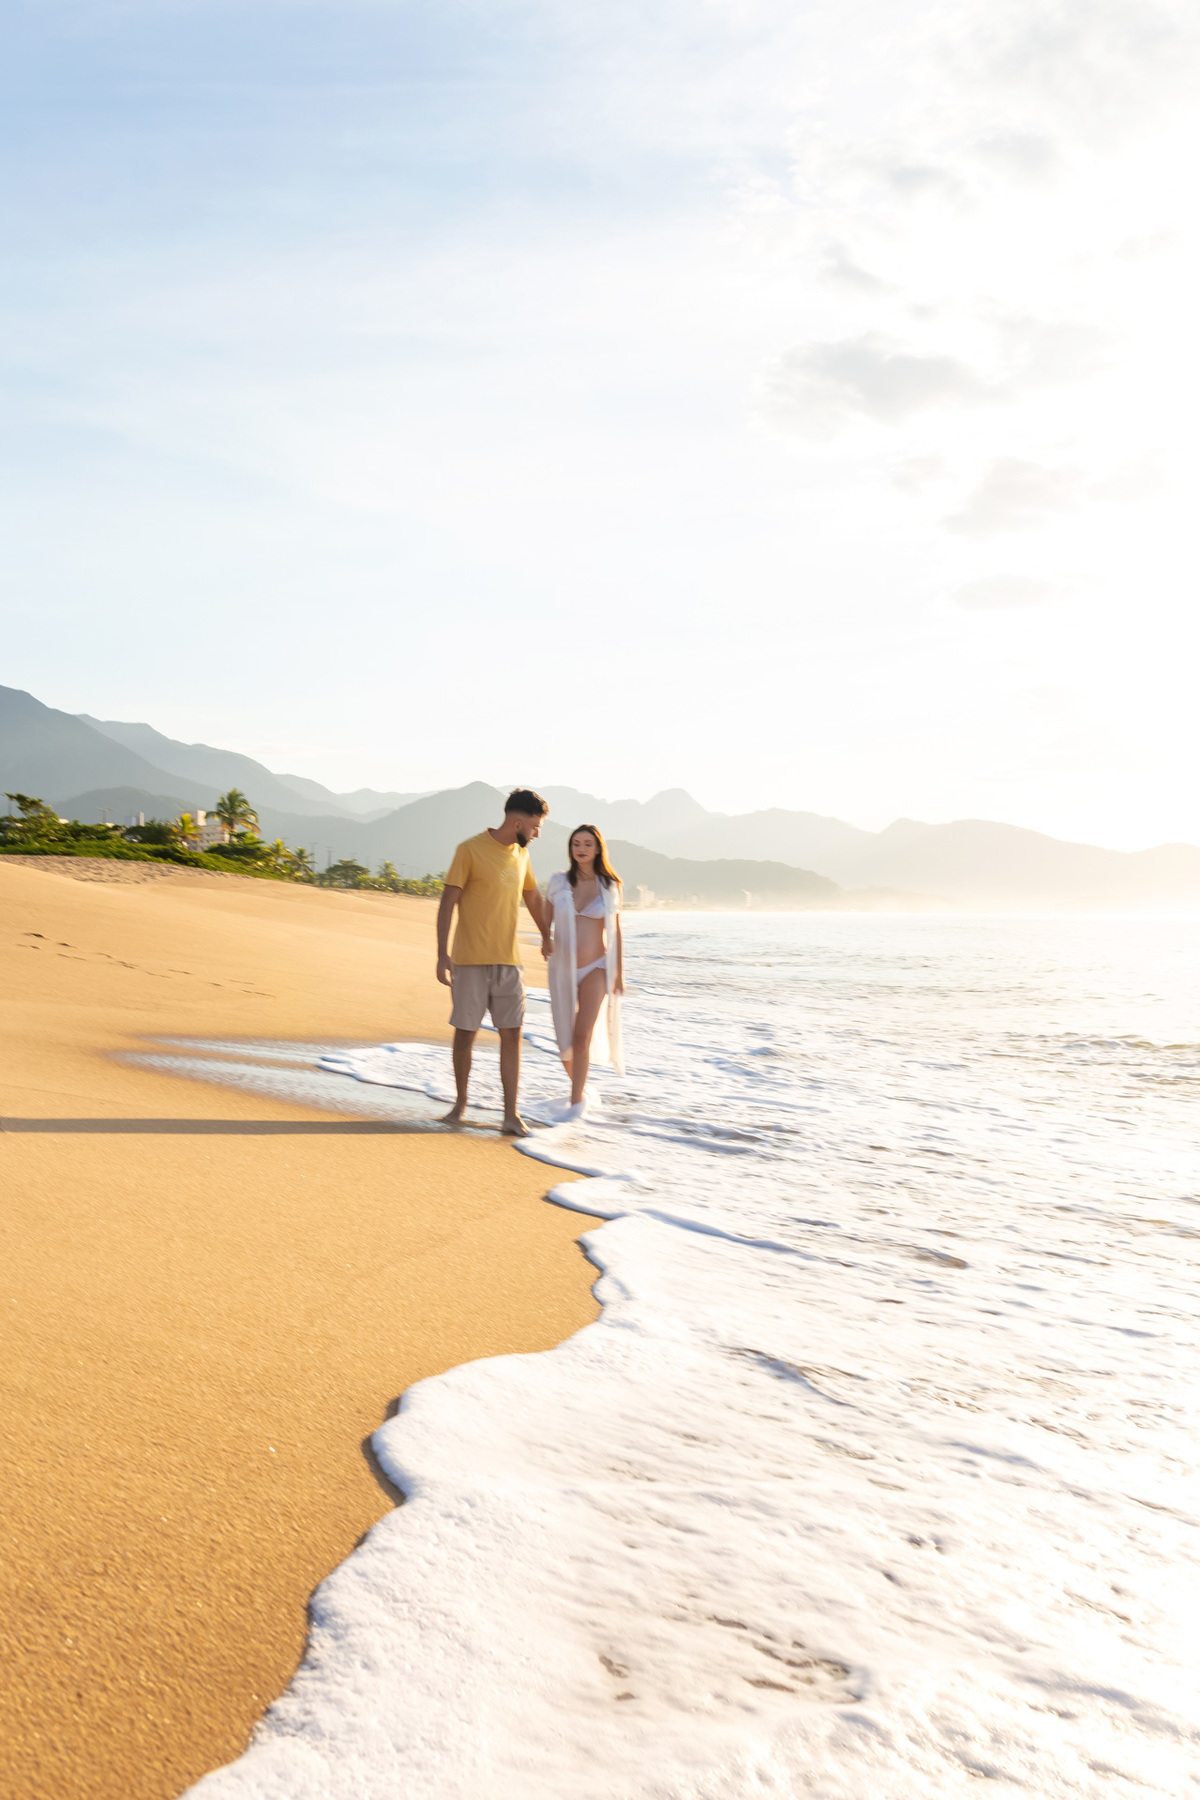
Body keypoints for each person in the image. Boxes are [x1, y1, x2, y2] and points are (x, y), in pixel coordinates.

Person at [436, 789, 551, 1136]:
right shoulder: (469, 850)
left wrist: (547, 934)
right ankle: (459, 1105)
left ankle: (511, 1114)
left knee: (512, 1035)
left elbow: (532, 896)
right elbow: (447, 902)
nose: (537, 833)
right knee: (465, 1034)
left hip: (509, 962)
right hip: (470, 960)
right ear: (517, 822)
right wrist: (443, 953)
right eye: (534, 826)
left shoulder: (521, 856)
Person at [545, 824, 625, 1115]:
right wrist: (544, 940)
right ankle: (583, 1090)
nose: (581, 848)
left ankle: (575, 1104)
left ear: (597, 848)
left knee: (581, 1038)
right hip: (562, 969)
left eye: (587, 844)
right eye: (576, 843)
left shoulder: (609, 886)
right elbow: (545, 921)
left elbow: (615, 932)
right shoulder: (557, 882)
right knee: (565, 1044)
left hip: (597, 968)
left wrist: (619, 974)